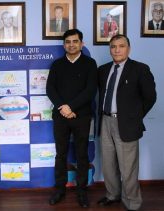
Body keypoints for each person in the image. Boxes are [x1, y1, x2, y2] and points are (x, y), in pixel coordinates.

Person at [97, 34, 156, 211]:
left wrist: (134, 117)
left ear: (128, 48)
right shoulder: (103, 70)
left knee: (128, 167)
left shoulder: (140, 69)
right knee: (108, 164)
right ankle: (112, 195)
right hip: (105, 121)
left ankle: (132, 203)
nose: (117, 50)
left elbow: (150, 98)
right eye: (113, 46)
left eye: (121, 46)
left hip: (127, 124)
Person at [46, 29, 98, 208]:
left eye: (75, 41)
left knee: (81, 154)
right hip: (61, 116)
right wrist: (64, 108)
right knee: (60, 154)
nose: (71, 44)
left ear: (81, 44)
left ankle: (81, 190)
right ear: (64, 45)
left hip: (81, 116)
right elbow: (50, 89)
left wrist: (72, 107)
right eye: (68, 42)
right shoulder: (57, 64)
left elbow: (90, 90)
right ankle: (59, 189)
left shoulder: (90, 64)